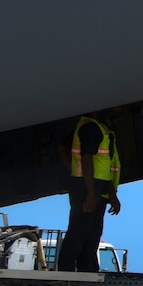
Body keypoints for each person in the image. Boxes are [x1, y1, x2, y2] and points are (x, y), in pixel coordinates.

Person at [56, 113, 121, 272]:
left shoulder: (105, 133)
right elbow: (86, 159)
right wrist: (91, 192)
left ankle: (89, 271)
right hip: (87, 187)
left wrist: (112, 195)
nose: (116, 119)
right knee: (78, 232)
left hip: (98, 187)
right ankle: (67, 274)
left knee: (92, 235)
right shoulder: (91, 128)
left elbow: (105, 170)